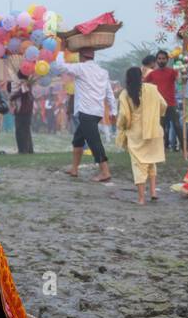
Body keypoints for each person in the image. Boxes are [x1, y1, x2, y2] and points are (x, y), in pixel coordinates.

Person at [60, 47, 117, 182]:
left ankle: (105, 171)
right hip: (97, 112)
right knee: (78, 139)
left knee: (94, 142)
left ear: (81, 57)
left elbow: (61, 67)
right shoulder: (103, 72)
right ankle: (74, 169)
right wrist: (114, 111)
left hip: (86, 112)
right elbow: (109, 93)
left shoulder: (81, 68)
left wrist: (61, 50)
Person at [115, 65, 167, 204]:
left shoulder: (125, 94)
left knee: (138, 165)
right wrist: (155, 116)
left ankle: (141, 198)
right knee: (151, 161)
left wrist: (121, 127)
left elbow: (124, 116)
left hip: (135, 133)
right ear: (141, 77)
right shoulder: (152, 89)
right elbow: (163, 105)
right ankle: (153, 192)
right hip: (153, 130)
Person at [146, 50, 181, 151]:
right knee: (161, 128)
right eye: (159, 59)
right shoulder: (153, 74)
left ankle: (184, 148)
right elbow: (144, 84)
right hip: (159, 105)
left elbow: (180, 81)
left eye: (163, 59)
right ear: (156, 60)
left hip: (171, 104)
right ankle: (162, 149)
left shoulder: (172, 72)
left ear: (167, 60)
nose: (161, 61)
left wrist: (183, 74)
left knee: (177, 126)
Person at [10, 74, 36, 155]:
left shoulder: (24, 85)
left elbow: (19, 94)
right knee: (26, 130)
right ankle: (29, 149)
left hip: (23, 112)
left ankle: (23, 150)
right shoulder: (28, 85)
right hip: (26, 111)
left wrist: (12, 97)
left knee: (21, 131)